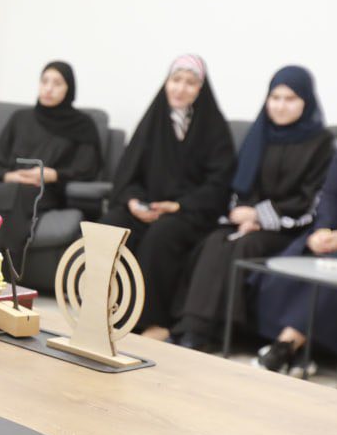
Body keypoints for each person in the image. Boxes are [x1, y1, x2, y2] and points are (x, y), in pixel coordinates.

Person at [172, 67, 335, 350]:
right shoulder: (260, 133)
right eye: (275, 97)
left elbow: (313, 198)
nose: (280, 106)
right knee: (215, 241)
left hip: (291, 227)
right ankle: (193, 327)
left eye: (290, 99)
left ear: (306, 101)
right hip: (248, 222)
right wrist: (244, 213)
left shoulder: (321, 143)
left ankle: (222, 332)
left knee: (245, 246)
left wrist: (260, 216)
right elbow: (241, 184)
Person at [101, 54, 236, 339]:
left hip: (190, 212)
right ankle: (102, 309)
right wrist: (135, 202)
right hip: (146, 206)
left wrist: (179, 205)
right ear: (166, 83)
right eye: (176, 80)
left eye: (190, 82)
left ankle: (153, 322)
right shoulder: (153, 121)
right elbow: (128, 172)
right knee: (111, 223)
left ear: (201, 89)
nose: (181, 89)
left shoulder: (213, 127)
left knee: (162, 235)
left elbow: (219, 184)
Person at [0, 61, 101, 270]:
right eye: (45, 81)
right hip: (11, 182)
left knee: (22, 194)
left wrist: (53, 175)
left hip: (45, 189)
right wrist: (11, 176)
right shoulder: (21, 118)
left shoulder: (82, 125)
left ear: (69, 89)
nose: (48, 88)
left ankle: (3, 271)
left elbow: (88, 169)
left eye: (57, 83)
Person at [253, 129, 337, 373]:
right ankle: (299, 352)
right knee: (298, 256)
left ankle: (284, 345)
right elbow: (332, 194)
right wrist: (324, 229)